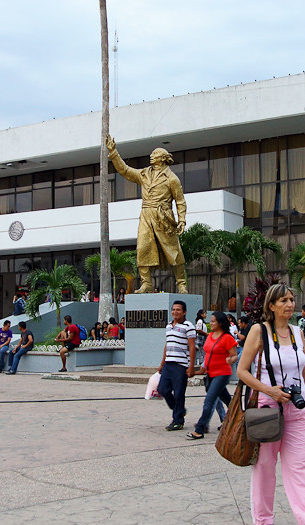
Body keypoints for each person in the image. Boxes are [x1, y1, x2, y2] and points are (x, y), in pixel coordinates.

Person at [237, 283, 305, 525]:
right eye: (283, 301)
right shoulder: (259, 331)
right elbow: (242, 371)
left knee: (301, 467)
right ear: (271, 306)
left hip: (298, 409)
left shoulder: (297, 333)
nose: (289, 305)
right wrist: (270, 390)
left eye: (291, 300)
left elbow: (304, 374)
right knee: (266, 465)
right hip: (269, 408)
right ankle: (263, 516)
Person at [106, 135, 189, 294]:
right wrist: (113, 152)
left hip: (163, 216)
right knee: (143, 248)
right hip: (145, 214)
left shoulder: (172, 179)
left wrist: (182, 220)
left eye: (155, 154)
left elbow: (180, 201)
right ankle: (146, 283)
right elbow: (124, 170)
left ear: (163, 158)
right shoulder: (143, 174)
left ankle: (181, 284)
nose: (152, 156)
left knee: (174, 251)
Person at [187, 311, 237, 440]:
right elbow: (208, 353)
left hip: (222, 374)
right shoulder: (210, 336)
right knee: (228, 401)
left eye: (213, 321)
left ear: (220, 323)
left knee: (209, 400)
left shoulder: (227, 338)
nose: (211, 323)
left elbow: (234, 355)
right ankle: (238, 418)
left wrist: (230, 360)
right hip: (210, 373)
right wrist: (200, 370)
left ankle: (199, 429)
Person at [157, 300, 196, 431]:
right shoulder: (168, 326)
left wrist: (191, 366)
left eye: (178, 310)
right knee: (163, 389)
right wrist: (162, 364)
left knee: (179, 393)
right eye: (173, 309)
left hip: (181, 365)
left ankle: (178, 421)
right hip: (168, 364)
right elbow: (167, 345)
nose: (175, 312)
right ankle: (179, 410)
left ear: (184, 312)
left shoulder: (188, 326)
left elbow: (192, 347)